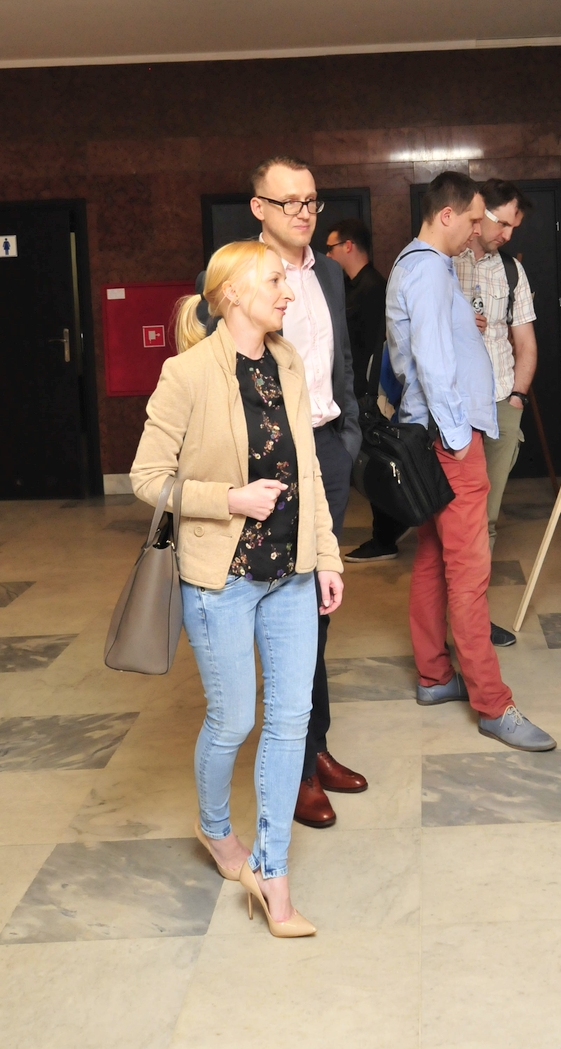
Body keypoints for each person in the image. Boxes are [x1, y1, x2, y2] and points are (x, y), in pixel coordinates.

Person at [130, 241, 344, 938]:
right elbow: (147, 479)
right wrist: (230, 500)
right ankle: (216, 828)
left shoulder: (288, 363)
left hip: (291, 574)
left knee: (290, 721)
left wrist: (328, 557)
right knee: (234, 721)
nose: (288, 291)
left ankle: (273, 876)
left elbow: (309, 472)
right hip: (219, 579)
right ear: (231, 293)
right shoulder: (187, 373)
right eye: (275, 280)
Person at [386, 170, 556, 752]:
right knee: (469, 571)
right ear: (448, 215)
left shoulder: (418, 265)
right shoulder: (430, 271)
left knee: (434, 557)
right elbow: (433, 362)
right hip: (450, 440)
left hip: (436, 434)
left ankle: (435, 676)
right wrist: (460, 438)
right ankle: (492, 703)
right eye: (476, 218)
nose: (480, 230)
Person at [247, 156, 367, 828]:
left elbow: (339, 362)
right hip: (277, 462)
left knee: (319, 607)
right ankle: (292, 769)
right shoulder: (242, 274)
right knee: (288, 615)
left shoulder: (327, 274)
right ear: (259, 208)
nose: (302, 213)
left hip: (329, 450)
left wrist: (347, 436)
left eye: (311, 201)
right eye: (287, 201)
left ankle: (314, 746)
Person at [453, 179, 538, 648]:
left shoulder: (512, 271)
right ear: (479, 212)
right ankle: (453, 619)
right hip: (453, 412)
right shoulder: (442, 261)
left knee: (486, 520)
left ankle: (474, 620)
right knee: (452, 521)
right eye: (502, 223)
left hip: (502, 405)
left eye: (513, 227)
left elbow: (525, 342)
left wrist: (517, 398)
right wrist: (456, 319)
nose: (507, 234)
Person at [325, 217, 408, 565]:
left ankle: (385, 536)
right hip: (357, 390)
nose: (327, 255)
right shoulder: (354, 286)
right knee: (370, 464)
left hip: (369, 392)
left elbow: (376, 347)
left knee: (374, 463)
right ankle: (388, 530)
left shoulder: (373, 288)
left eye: (330, 248)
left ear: (348, 246)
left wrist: (368, 395)